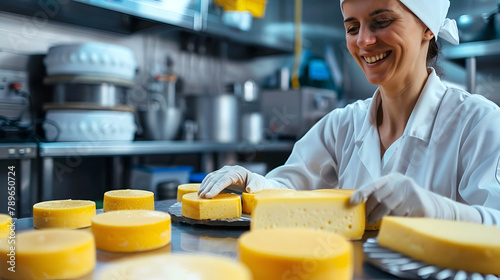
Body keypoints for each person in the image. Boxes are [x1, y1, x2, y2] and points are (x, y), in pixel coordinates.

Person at [198, 0, 500, 226]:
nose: (364, 41)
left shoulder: (479, 124)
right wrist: (253, 182)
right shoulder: (341, 125)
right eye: (352, 27)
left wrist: (440, 211)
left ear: (427, 27)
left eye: (381, 21)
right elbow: (290, 190)